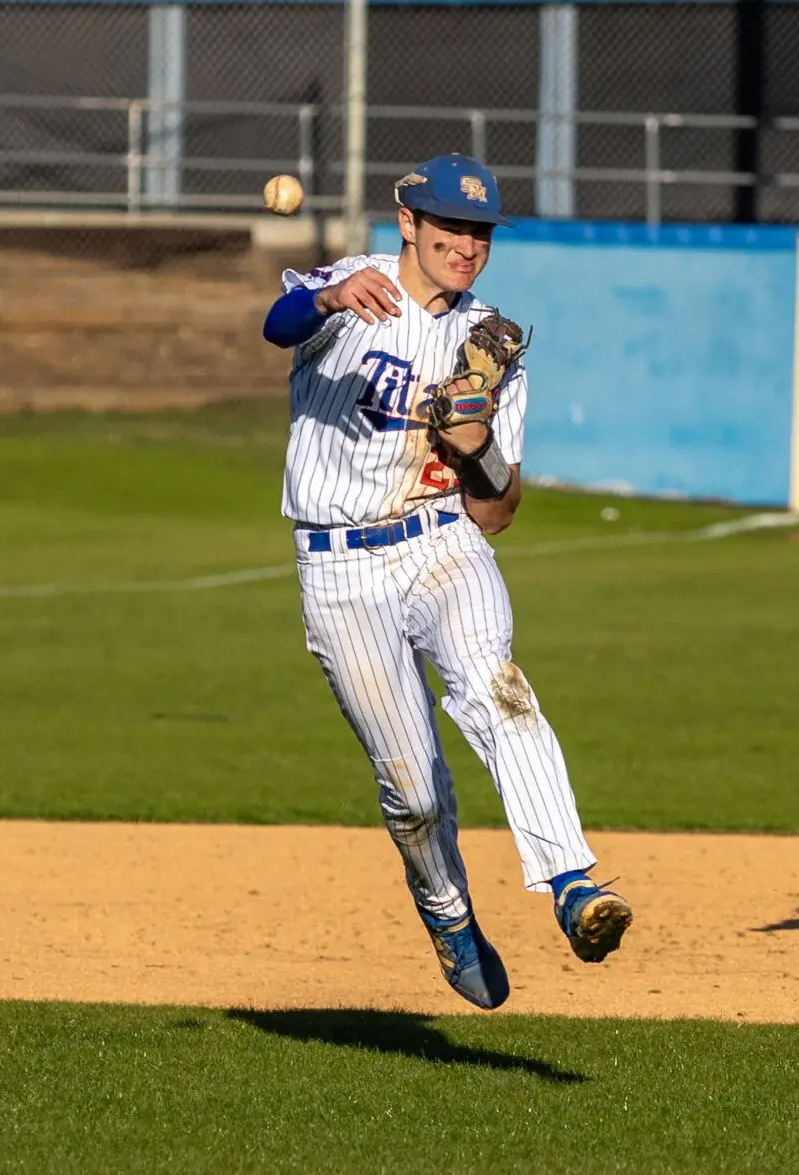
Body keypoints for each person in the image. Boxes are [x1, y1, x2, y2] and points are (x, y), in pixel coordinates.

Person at [260, 153, 632, 1010]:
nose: (467, 245)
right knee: (415, 793)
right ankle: (448, 912)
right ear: (409, 224)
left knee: (498, 687)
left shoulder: (492, 343)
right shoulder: (350, 287)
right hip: (338, 567)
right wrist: (326, 299)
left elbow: (497, 511)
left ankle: (572, 883)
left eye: (480, 233)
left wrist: (478, 446)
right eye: (451, 227)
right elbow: (277, 327)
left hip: (440, 545)